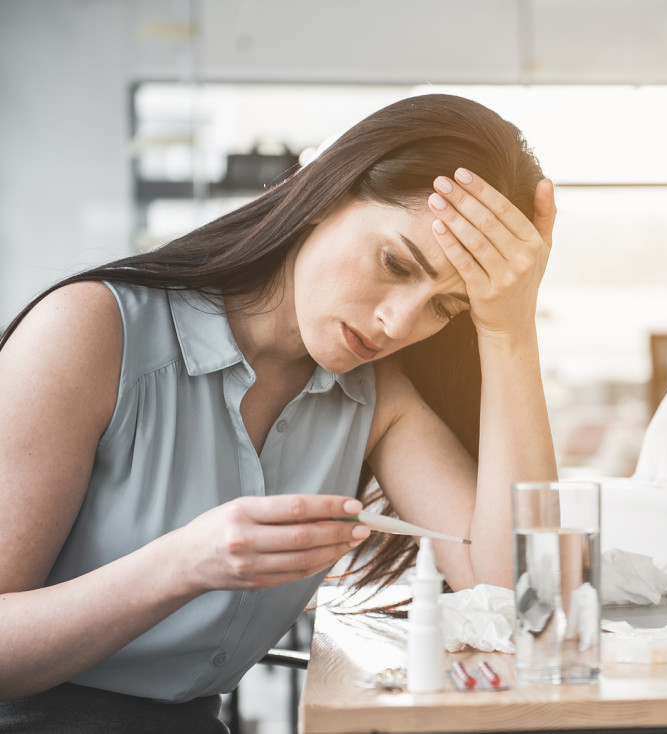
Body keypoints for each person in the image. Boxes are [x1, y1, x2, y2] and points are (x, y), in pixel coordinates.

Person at [0, 93, 557, 730]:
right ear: (324, 193)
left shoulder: (375, 397)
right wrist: (186, 563)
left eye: (443, 310)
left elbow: (520, 601)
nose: (398, 322)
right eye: (396, 263)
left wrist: (510, 330)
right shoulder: (91, 329)